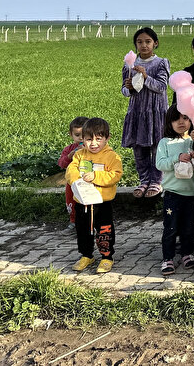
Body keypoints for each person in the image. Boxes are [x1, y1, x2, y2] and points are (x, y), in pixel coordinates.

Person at [65, 117, 123, 274]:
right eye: (89, 139)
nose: (94, 143)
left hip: (102, 202)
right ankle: (86, 255)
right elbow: (71, 170)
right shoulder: (79, 155)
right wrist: (77, 181)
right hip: (82, 201)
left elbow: (115, 175)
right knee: (83, 230)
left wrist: (96, 176)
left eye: (99, 139)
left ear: (107, 138)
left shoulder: (112, 157)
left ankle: (106, 257)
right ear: (82, 139)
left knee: (104, 230)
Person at [121, 27, 170, 198]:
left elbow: (161, 87)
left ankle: (157, 181)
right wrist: (129, 88)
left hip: (156, 112)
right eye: (140, 42)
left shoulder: (161, 63)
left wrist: (146, 76)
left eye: (148, 41)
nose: (144, 45)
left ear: (155, 43)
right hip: (137, 111)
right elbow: (125, 92)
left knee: (157, 147)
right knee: (139, 148)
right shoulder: (129, 64)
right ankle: (143, 180)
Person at [155, 105, 194, 275]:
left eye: (185, 117)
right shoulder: (165, 142)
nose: (181, 122)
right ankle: (167, 258)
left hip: (192, 193)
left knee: (189, 227)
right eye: (176, 119)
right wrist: (177, 158)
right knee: (170, 228)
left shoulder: (193, 140)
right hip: (172, 194)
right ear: (169, 122)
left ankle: (186, 253)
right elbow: (160, 164)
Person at [58, 116, 89, 228]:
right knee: (71, 200)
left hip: (88, 179)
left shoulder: (92, 147)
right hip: (72, 181)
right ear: (71, 134)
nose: (81, 138)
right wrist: (69, 156)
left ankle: (89, 221)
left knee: (87, 200)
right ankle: (73, 220)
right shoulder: (69, 149)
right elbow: (61, 163)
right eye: (77, 135)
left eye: (84, 135)